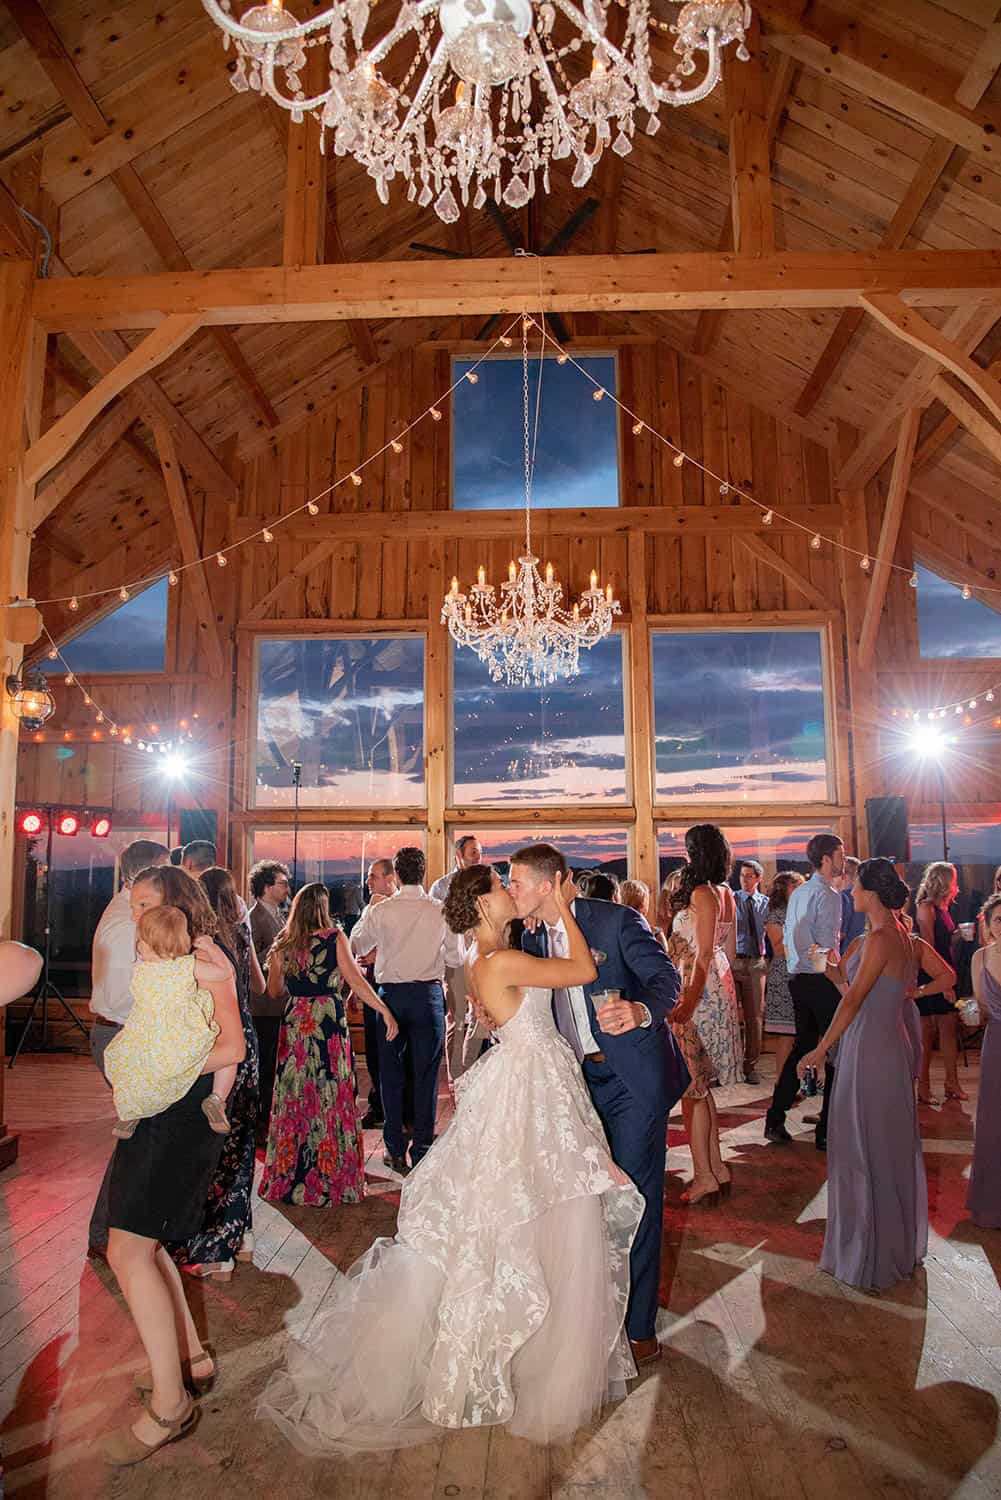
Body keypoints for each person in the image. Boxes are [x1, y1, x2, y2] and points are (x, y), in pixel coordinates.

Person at [259, 867, 645, 1452]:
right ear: (484, 906)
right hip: (530, 1087)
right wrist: (564, 903)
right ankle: (521, 1353)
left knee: (526, 1212)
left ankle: (527, 1345)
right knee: (528, 1212)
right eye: (501, 887)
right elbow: (585, 971)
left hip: (532, 1077)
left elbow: (512, 1014)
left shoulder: (489, 955)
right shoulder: (498, 960)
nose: (509, 891)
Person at [511, 843, 687, 1365]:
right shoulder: (528, 938)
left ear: (549, 884)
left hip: (632, 1081)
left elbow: (667, 980)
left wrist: (639, 1009)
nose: (510, 889)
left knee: (635, 1198)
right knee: (585, 1202)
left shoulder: (614, 921)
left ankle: (638, 1327)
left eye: (516, 880)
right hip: (573, 1085)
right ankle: (594, 1316)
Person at [100, 870, 245, 1467]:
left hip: (177, 1121)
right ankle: (193, 1359)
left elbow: (233, 1048)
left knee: (126, 1251)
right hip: (161, 1112)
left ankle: (169, 1404)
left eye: (144, 905)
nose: (134, 916)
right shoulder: (171, 960)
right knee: (146, 1245)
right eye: (131, 905)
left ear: (175, 909)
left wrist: (161, 1065)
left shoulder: (206, 962)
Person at [797, 859, 927, 1292]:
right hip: (886, 1046)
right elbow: (855, 991)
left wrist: (818, 1048)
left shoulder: (880, 938)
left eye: (855, 886)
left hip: (871, 1049)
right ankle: (889, 1245)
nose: (850, 892)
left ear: (871, 891)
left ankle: (866, 1254)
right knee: (884, 1146)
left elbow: (851, 1002)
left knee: (862, 1145)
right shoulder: (902, 938)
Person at [259, 883, 394, 1206]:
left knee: (295, 1095)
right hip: (327, 1023)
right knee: (330, 1094)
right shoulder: (334, 938)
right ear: (322, 907)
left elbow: (274, 991)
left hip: (296, 1023)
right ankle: (332, 1174)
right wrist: (384, 1010)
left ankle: (291, 1174)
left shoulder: (282, 944)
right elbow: (356, 981)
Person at [170, 866, 263, 1278]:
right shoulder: (239, 936)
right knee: (240, 1144)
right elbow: (258, 986)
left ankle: (215, 1247)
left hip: (220, 1046)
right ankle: (241, 1237)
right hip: (247, 1043)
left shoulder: (200, 947)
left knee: (215, 1150)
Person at [349, 848, 461, 1175]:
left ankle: (394, 1150)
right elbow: (454, 959)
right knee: (427, 1077)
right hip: (427, 997)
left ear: (396, 875)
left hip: (390, 999)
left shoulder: (382, 911)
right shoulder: (441, 910)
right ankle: (422, 1149)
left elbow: (356, 944)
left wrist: (370, 913)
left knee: (390, 1076)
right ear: (423, 873)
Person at [88, 837, 170, 1255]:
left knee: (139, 1133)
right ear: (145, 876)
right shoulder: (126, 924)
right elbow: (124, 995)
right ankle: (110, 1235)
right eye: (165, 872)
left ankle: (117, 1232)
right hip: (118, 1033)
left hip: (120, 1032)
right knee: (139, 1133)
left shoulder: (130, 914)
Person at [105, 906, 236, 1139]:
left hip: (145, 1040)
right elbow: (225, 973)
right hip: (179, 1040)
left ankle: (130, 1112)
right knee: (227, 1057)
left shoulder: (141, 971)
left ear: (144, 945)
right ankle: (218, 1098)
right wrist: (211, 948)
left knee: (129, 1070)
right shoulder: (185, 967)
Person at [669, 826, 743, 1206]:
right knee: (703, 1087)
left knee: (692, 1090)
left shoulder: (701, 893)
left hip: (701, 990)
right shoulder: (726, 893)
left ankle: (703, 1176)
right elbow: (723, 948)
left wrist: (687, 1002)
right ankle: (716, 1166)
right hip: (720, 982)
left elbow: (700, 955)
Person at [764, 833, 845, 1150]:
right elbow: (818, 943)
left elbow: (795, 935)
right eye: (841, 853)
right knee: (835, 1049)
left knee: (803, 1048)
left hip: (798, 977)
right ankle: (828, 1128)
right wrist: (838, 979)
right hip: (819, 978)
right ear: (826, 857)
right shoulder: (828, 895)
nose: (843, 858)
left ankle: (775, 1118)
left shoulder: (800, 892)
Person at [429, 834, 484, 1086]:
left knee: (482, 1016)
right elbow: (436, 929)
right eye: (473, 851)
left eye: (479, 851)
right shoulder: (441, 888)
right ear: (458, 855)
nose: (478, 856)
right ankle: (456, 1079)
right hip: (454, 963)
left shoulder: (486, 882)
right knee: (456, 1018)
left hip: (483, 959)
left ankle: (478, 1073)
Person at [352, 857, 398, 1129]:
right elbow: (356, 942)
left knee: (391, 1052)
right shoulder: (371, 908)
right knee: (373, 1052)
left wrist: (381, 954)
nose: (368, 882)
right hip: (370, 986)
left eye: (373, 876)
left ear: (390, 879)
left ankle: (393, 1109)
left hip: (392, 986)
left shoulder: (403, 908)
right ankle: (377, 1105)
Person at [247, 859, 290, 1141]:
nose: (287, 887)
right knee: (264, 1066)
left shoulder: (279, 914)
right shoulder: (254, 918)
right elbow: (251, 962)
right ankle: (262, 1122)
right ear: (266, 887)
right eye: (282, 883)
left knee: (275, 1063)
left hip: (279, 1003)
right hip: (263, 1005)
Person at [915, 861, 965, 1102]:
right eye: (953, 880)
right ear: (944, 881)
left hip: (946, 971)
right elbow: (928, 948)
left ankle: (951, 1083)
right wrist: (943, 983)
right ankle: (923, 1088)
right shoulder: (926, 907)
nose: (956, 885)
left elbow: (945, 944)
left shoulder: (944, 908)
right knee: (926, 1033)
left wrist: (958, 936)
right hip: (930, 975)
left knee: (948, 1028)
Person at [968, 894, 1001, 1229]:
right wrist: (970, 1014)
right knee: (994, 1122)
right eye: (998, 920)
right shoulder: (979, 958)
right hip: (995, 1046)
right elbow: (982, 1009)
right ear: (988, 925)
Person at [763, 872, 805, 1082]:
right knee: (787, 1032)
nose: (800, 890)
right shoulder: (776, 914)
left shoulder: (802, 911)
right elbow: (779, 949)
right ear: (784, 890)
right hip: (784, 975)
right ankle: (782, 1081)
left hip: (803, 972)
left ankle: (799, 1080)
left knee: (803, 1032)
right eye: (795, 886)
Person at [731, 858, 769, 1084]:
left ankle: (750, 1065)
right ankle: (729, 1063)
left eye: (748, 876)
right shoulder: (732, 900)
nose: (744, 880)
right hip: (735, 961)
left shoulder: (765, 902)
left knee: (755, 1015)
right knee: (730, 1015)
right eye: (742, 876)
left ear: (757, 878)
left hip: (756, 962)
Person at [839, 856, 867, 948]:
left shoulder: (843, 897)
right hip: (865, 950)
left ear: (844, 875)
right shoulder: (868, 896)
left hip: (847, 952)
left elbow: (840, 933)